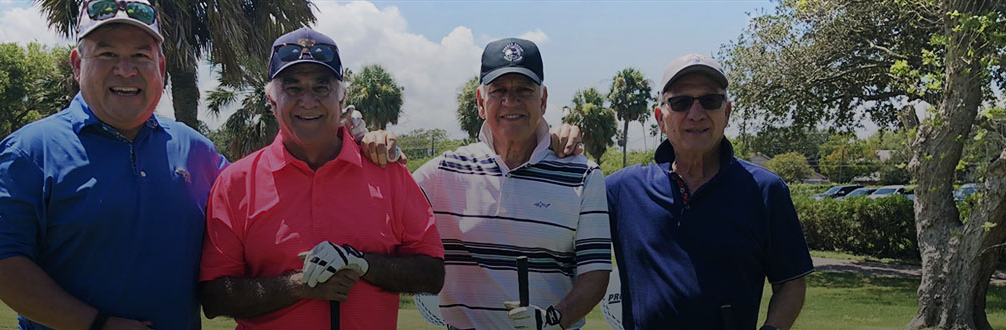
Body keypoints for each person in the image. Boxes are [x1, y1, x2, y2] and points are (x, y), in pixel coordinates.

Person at [0, 1, 227, 329]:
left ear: (161, 67)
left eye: (141, 56)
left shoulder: (198, 151)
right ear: (77, 65)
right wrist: (97, 325)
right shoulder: (27, 152)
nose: (125, 70)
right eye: (106, 54)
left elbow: (254, 211)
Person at [196, 27, 445, 330]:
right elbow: (215, 296)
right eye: (293, 88)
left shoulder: (388, 171)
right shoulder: (235, 182)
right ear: (272, 100)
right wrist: (299, 286)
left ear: (342, 98)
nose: (308, 101)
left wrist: (361, 263)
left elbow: (432, 274)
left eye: (321, 87)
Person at [411, 38, 611, 330]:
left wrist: (553, 320)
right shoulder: (444, 172)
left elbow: (595, 275)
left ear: (542, 101)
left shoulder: (584, 175)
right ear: (481, 103)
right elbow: (384, 205)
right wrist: (361, 140)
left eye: (523, 91)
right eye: (499, 91)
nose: (510, 101)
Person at [605, 53, 813, 330]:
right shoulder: (622, 190)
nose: (696, 113)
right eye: (680, 102)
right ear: (660, 118)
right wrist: (558, 145)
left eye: (710, 101)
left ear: (726, 112)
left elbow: (790, 281)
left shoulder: (765, 190)